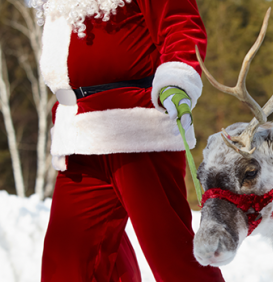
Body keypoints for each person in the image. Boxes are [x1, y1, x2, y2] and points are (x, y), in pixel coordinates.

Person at [31, 0, 224, 281]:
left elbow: (179, 21)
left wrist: (177, 80)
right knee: (66, 266)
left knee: (173, 260)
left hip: (138, 134)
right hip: (79, 136)